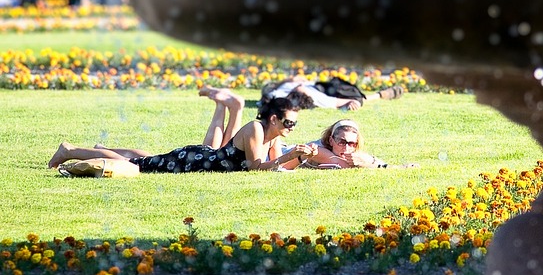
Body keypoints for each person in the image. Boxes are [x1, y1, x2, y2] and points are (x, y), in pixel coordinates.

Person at [48, 89, 319, 174]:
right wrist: (288, 156)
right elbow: (256, 167)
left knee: (141, 157)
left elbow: (275, 168)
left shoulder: (270, 135)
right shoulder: (257, 130)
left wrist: (303, 156)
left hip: (201, 157)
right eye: (289, 123)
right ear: (275, 119)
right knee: (135, 164)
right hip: (192, 162)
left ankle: (81, 149)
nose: (291, 128)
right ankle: (71, 150)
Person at [259, 75, 404, 112]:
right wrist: (354, 104)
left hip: (317, 85)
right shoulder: (313, 97)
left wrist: (291, 79)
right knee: (355, 96)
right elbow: (337, 103)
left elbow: (268, 89)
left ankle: (382, 94)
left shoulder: (274, 92)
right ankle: (382, 95)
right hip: (322, 90)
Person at [300, 118, 388, 169]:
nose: (346, 148)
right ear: (331, 141)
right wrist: (365, 162)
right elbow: (342, 164)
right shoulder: (316, 149)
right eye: (341, 142)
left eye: (351, 143)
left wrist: (368, 159)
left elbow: (367, 159)